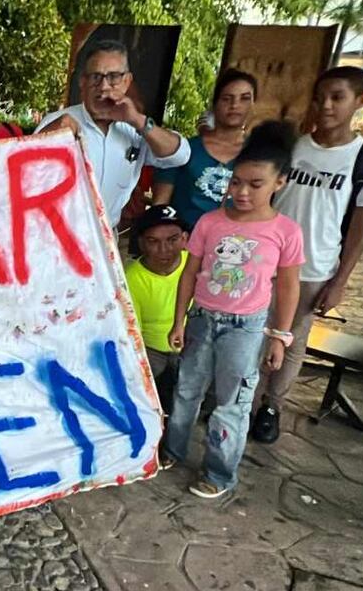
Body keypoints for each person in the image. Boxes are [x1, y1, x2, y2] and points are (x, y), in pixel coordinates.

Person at [162, 122, 304, 498]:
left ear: (279, 182)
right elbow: (190, 273)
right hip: (201, 319)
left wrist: (280, 336)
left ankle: (219, 473)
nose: (241, 192)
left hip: (246, 329)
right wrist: (179, 320)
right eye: (236, 182)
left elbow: (288, 286)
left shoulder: (286, 231)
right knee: (186, 390)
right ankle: (172, 451)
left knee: (232, 403)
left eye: (255, 184)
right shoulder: (210, 222)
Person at [250, 66, 363, 443]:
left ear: (360, 101)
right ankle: (246, 400)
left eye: (338, 97)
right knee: (253, 332)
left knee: (290, 339)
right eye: (320, 97)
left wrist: (340, 280)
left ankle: (271, 406)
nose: (326, 105)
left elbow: (362, 223)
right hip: (267, 259)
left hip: (314, 266)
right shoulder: (293, 147)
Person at [37, 40, 190, 227]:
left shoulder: (135, 130)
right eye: (95, 77)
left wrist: (138, 121)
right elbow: (24, 177)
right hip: (58, 236)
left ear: (127, 82)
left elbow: (180, 156)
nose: (103, 86)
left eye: (114, 77)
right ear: (82, 82)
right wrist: (48, 138)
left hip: (106, 238)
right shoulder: (58, 122)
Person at [153, 69, 257, 229]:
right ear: (214, 104)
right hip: (184, 239)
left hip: (234, 241)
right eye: (227, 98)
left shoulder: (258, 155)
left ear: (254, 105)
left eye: (244, 98)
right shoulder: (184, 150)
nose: (235, 105)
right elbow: (160, 205)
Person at [124, 205, 190, 419]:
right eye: (153, 241)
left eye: (172, 240)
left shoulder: (194, 265)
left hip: (191, 346)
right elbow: (133, 335)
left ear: (185, 239)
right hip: (151, 351)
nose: (164, 249)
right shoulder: (131, 278)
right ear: (141, 243)